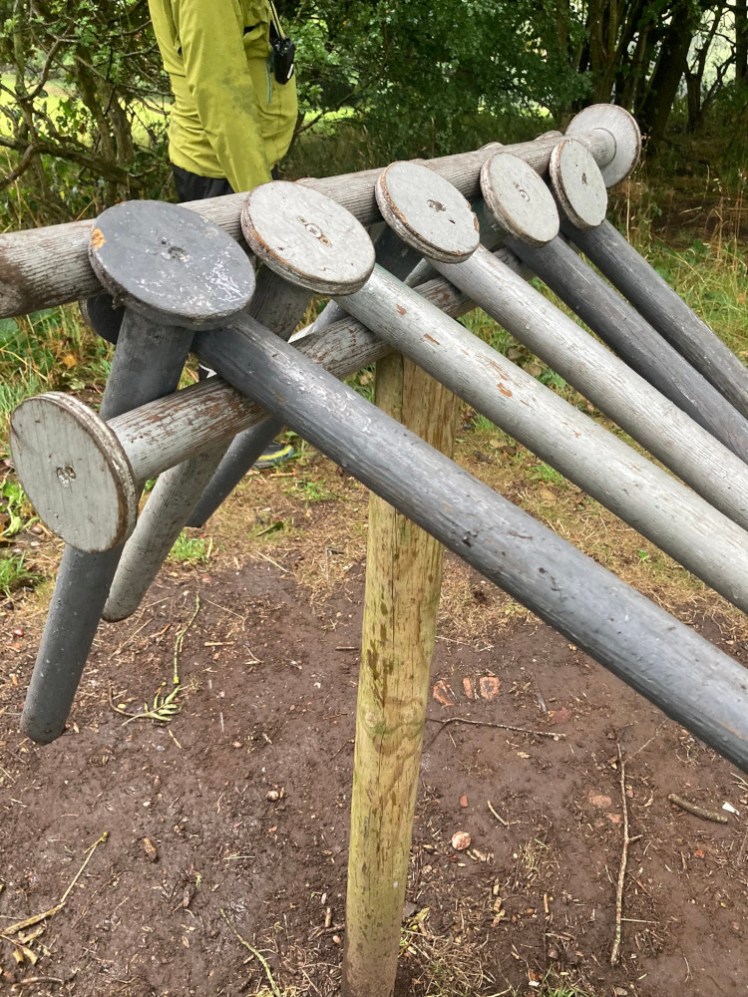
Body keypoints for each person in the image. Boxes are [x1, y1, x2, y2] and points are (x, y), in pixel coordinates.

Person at [147, 0, 299, 466]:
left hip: (233, 159)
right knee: (223, 300)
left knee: (228, 299)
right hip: (223, 165)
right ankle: (220, 434)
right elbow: (218, 90)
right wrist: (259, 193)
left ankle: (219, 422)